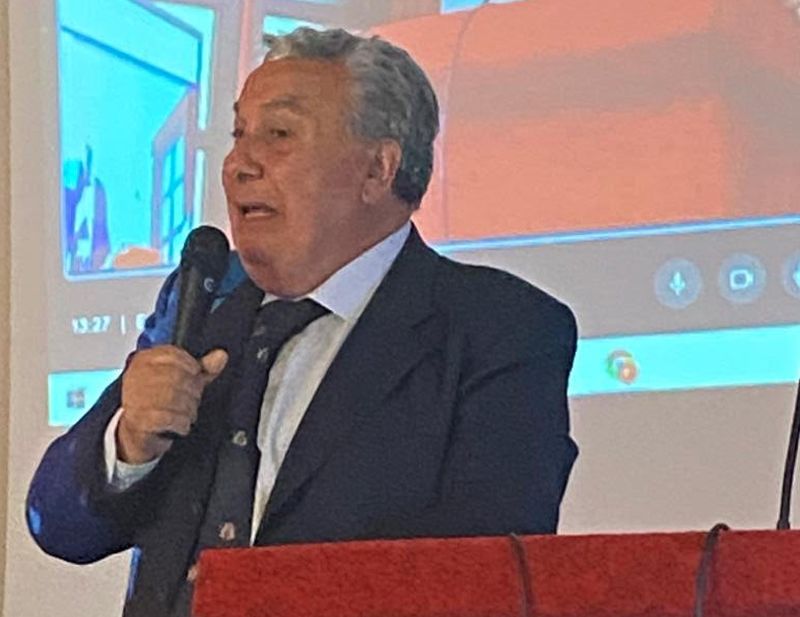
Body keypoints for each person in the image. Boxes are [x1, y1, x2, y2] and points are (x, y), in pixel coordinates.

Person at [27, 28, 578, 617]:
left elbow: (484, 577)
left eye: (279, 135)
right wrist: (130, 442)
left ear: (378, 169)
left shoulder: (499, 329)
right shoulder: (203, 302)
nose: (238, 165)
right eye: (239, 135)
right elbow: (56, 523)